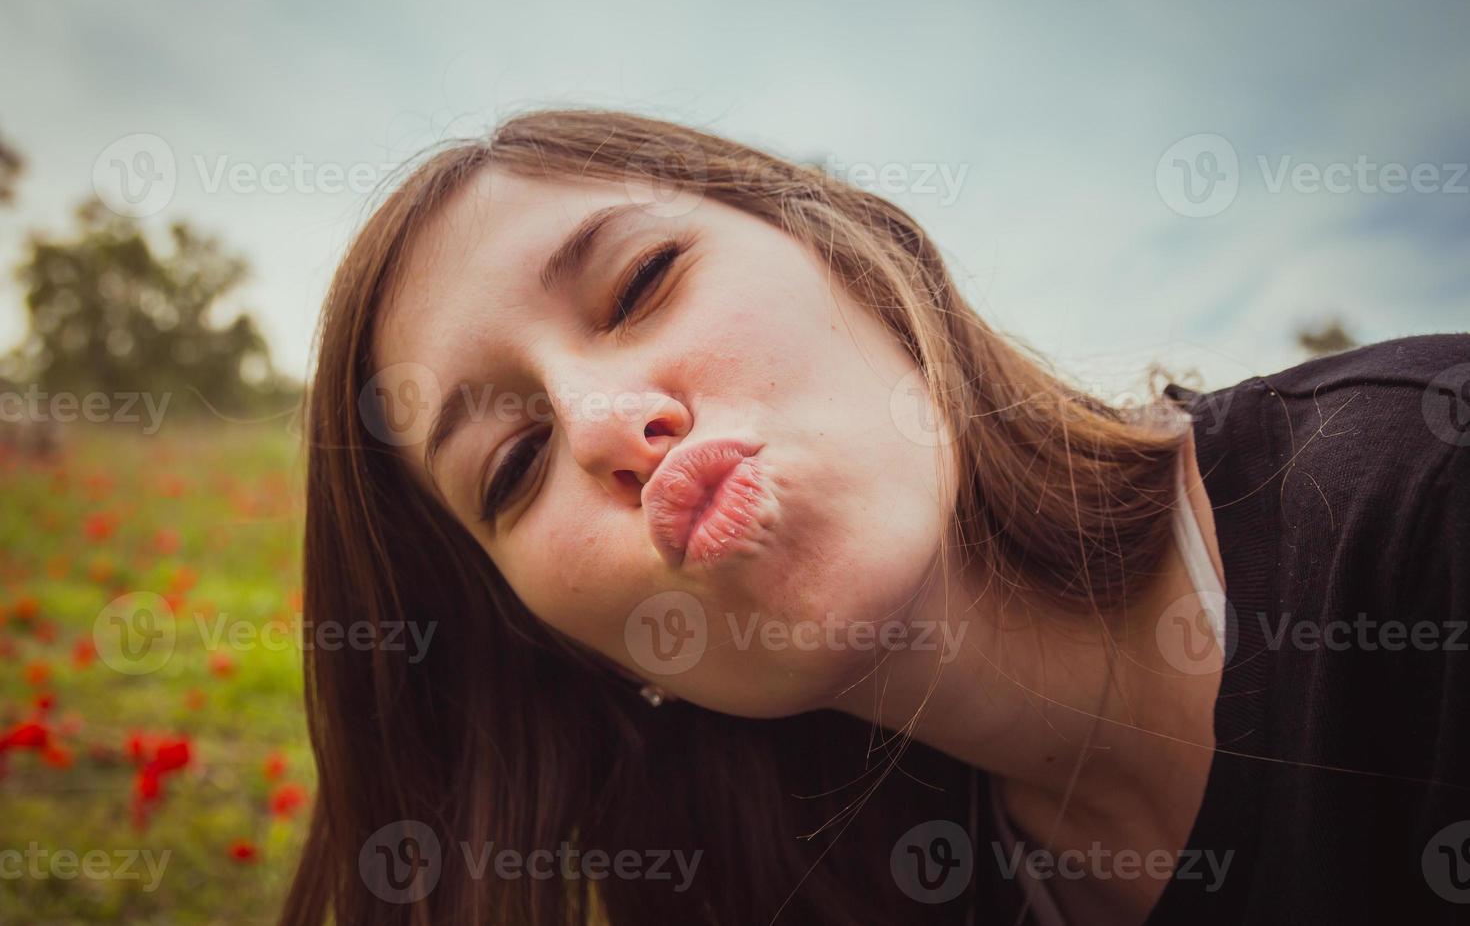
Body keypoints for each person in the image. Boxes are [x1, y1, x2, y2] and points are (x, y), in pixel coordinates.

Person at [280, 108, 1470, 926]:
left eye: (642, 282)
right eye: (516, 462)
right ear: (573, 650)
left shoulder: (1425, 502)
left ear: (856, 252)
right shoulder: (840, 883)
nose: (601, 423)